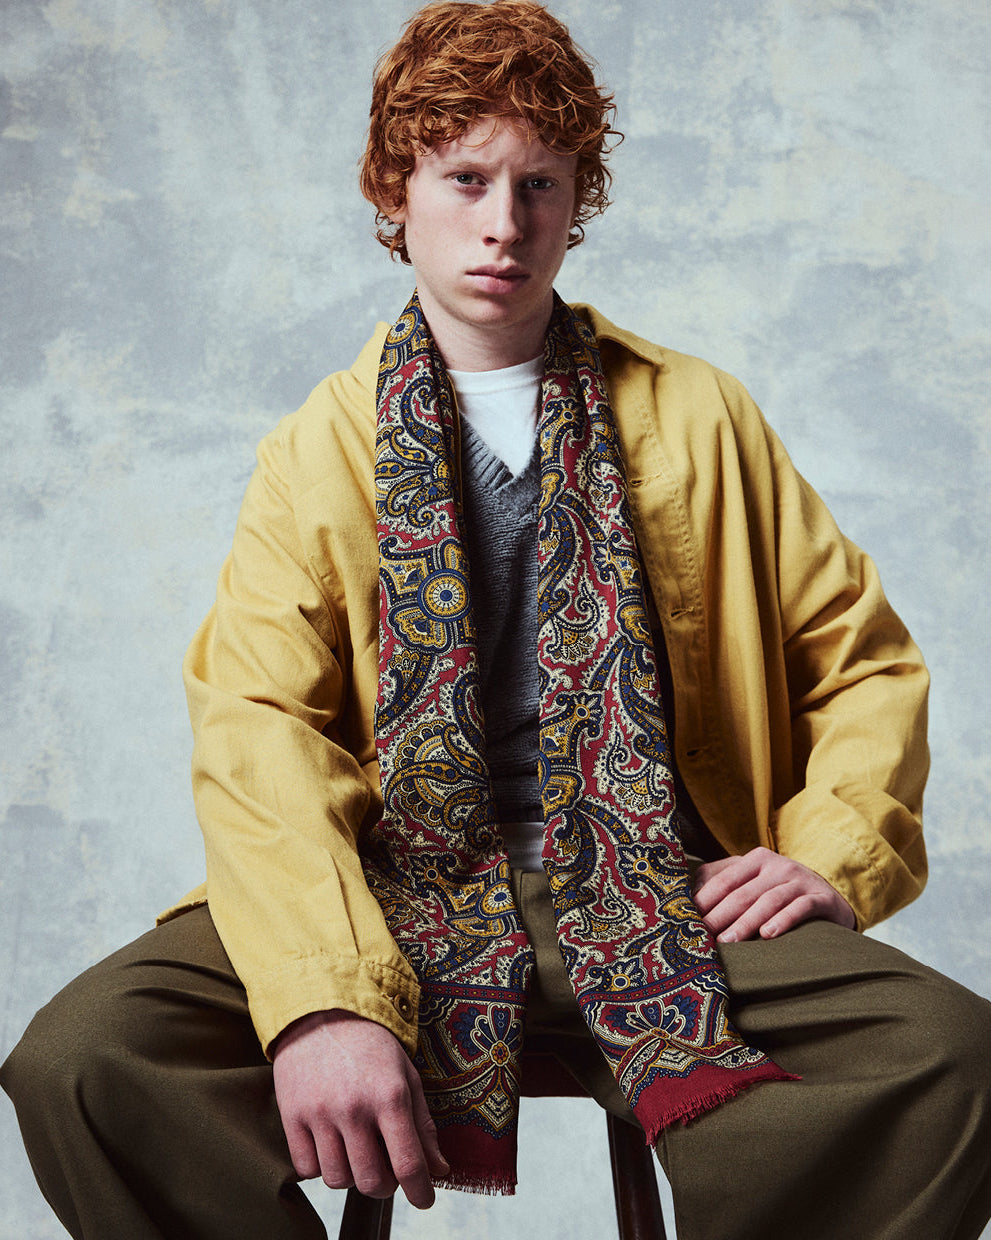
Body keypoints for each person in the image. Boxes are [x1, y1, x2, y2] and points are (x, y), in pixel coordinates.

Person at [3, 3, 991, 1238]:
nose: (503, 222)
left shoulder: (698, 415)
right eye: (464, 177)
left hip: (653, 891)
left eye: (541, 183)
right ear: (395, 188)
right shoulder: (322, 443)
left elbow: (862, 660)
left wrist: (830, 849)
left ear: (578, 199)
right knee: (88, 1058)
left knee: (948, 1055)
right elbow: (256, 724)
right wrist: (322, 997)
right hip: (391, 891)